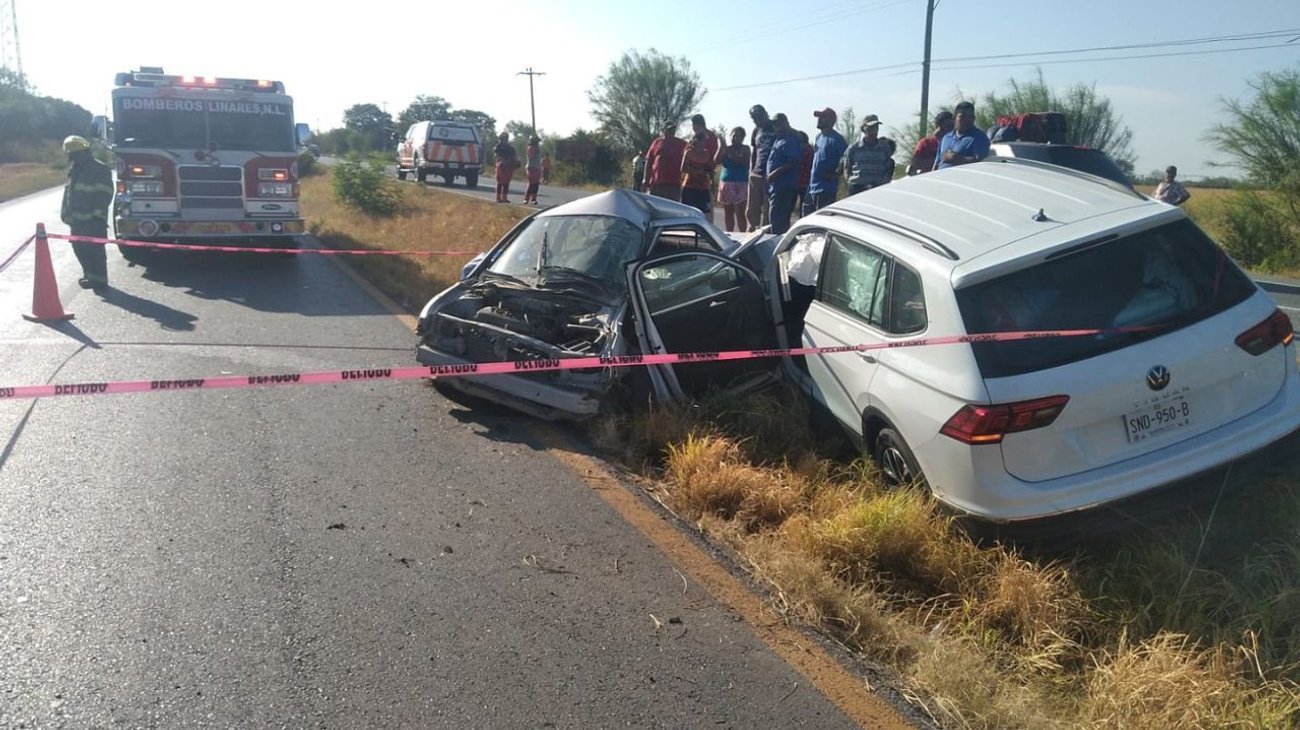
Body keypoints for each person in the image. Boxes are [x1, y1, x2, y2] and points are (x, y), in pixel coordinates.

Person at [61, 135, 114, 288]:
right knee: (79, 248)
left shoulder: (99, 168)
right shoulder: (75, 169)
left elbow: (104, 194)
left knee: (94, 251)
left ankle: (100, 281)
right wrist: (66, 213)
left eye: (74, 154)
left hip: (92, 220)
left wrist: (97, 216)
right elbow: (69, 192)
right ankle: (90, 276)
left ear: (83, 153)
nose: (72, 158)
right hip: (76, 220)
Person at [765, 113, 802, 235]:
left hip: (784, 187)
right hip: (776, 187)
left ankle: (778, 246)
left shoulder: (790, 139)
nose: (775, 126)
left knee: (777, 220)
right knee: (775, 219)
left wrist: (774, 173)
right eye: (774, 124)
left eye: (777, 123)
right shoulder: (778, 139)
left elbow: (793, 161)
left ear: (785, 123)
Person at [805, 108, 847, 215]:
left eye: (822, 117)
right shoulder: (818, 137)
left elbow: (847, 157)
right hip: (812, 188)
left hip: (826, 189)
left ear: (831, 120)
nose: (819, 120)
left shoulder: (836, 139)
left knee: (821, 222)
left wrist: (837, 174)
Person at [843, 115, 894, 194]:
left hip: (878, 188)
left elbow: (888, 167)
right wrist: (851, 181)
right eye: (870, 127)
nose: (873, 131)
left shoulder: (884, 148)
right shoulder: (854, 148)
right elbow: (847, 168)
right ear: (864, 129)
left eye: (876, 127)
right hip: (857, 188)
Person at [934, 101, 990, 170]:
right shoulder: (946, 138)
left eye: (970, 117)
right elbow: (936, 164)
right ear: (954, 118)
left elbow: (982, 163)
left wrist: (957, 158)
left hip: (961, 178)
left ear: (974, 118)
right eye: (962, 117)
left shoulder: (979, 137)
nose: (966, 120)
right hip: (940, 177)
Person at [715, 127, 750, 232]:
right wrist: (721, 146)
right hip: (727, 182)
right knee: (728, 211)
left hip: (741, 183)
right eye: (734, 135)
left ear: (743, 138)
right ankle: (729, 234)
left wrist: (730, 154)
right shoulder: (726, 148)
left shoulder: (746, 149)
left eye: (738, 136)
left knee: (740, 212)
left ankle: (743, 234)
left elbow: (743, 162)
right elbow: (716, 160)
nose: (735, 138)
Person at [746, 104, 776, 231]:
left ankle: (766, 232)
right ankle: (751, 230)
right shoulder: (756, 130)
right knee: (752, 208)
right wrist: (751, 169)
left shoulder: (775, 127)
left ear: (765, 114)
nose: (756, 120)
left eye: (758, 116)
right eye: (754, 118)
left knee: (767, 207)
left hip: (770, 174)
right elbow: (755, 151)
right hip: (756, 173)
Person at [643, 122, 686, 201]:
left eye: (673, 129)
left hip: (673, 184)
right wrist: (646, 179)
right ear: (664, 130)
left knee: (672, 209)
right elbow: (649, 162)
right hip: (657, 184)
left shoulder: (681, 144)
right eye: (669, 129)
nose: (671, 131)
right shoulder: (657, 142)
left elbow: (692, 151)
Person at [907, 110, 953, 176]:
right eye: (948, 126)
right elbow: (915, 163)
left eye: (952, 126)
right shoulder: (925, 143)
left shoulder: (953, 143)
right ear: (939, 127)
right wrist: (939, 161)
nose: (951, 129)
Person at [680, 132, 714, 215]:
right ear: (696, 140)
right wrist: (695, 171)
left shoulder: (706, 153)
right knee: (688, 211)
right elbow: (683, 169)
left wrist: (712, 181)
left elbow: (710, 169)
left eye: (704, 141)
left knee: (702, 212)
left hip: (703, 187)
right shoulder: (688, 152)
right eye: (702, 140)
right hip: (689, 185)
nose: (703, 143)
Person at [493, 132, 518, 203]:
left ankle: (504, 198)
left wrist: (515, 162)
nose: (505, 139)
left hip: (509, 166)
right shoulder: (498, 146)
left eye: (506, 138)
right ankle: (498, 198)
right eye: (503, 138)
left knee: (506, 182)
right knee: (500, 182)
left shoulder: (510, 148)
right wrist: (501, 160)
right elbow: (496, 154)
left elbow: (514, 155)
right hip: (501, 165)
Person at [794, 130, 814, 218]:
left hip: (805, 182)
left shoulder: (807, 150)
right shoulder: (800, 149)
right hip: (798, 182)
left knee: (804, 206)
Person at [523, 135, 542, 205]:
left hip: (537, 167)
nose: (537, 143)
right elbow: (531, 156)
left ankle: (534, 199)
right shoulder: (530, 148)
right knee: (531, 183)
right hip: (531, 167)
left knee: (536, 184)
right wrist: (535, 150)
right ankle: (526, 198)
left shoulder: (538, 149)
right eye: (536, 141)